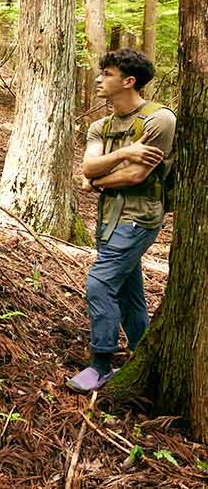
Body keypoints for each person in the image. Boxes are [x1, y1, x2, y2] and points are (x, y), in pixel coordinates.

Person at [66, 49, 175, 393]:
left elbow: (136, 176)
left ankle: (101, 364)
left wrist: (97, 180)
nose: (98, 79)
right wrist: (125, 152)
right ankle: (144, 356)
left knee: (99, 283)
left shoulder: (159, 120)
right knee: (129, 292)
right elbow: (88, 166)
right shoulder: (101, 126)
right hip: (108, 219)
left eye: (107, 74)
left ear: (129, 81)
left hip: (139, 219)